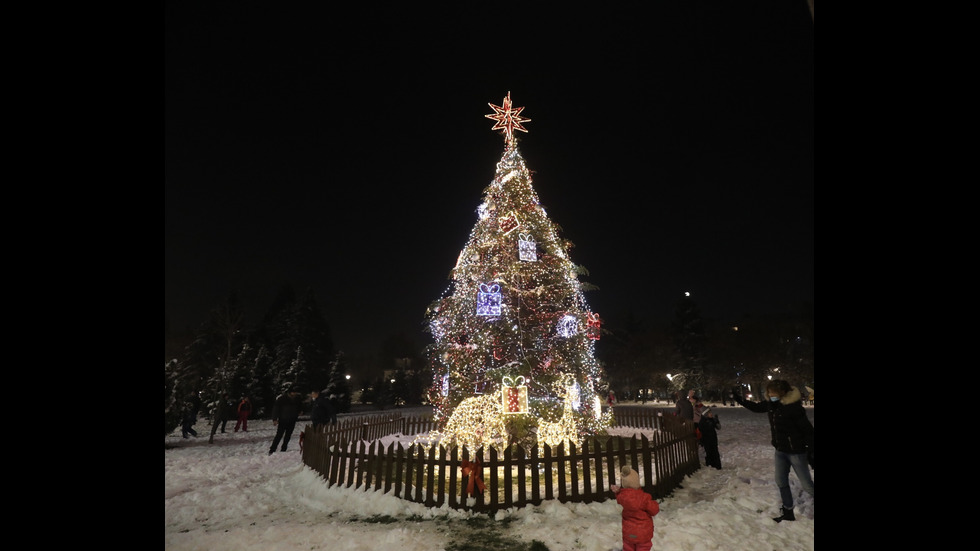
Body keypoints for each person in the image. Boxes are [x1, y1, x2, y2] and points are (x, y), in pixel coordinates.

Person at [732, 379, 814, 522]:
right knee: (781, 481)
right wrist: (739, 399)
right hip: (780, 451)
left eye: (773, 393)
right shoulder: (771, 405)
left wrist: (811, 451)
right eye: (769, 393)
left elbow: (808, 431)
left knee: (807, 485)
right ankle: (788, 512)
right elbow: (756, 407)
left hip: (796, 452)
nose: (770, 395)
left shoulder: (794, 408)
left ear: (782, 393)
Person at [610, 465, 660, 551]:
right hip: (643, 534)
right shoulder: (643, 498)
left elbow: (620, 497)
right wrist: (654, 504)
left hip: (628, 533)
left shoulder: (622, 497)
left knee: (628, 548)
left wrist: (618, 492)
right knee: (643, 548)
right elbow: (654, 510)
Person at [269, 388, 303, 455]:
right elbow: (276, 409)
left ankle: (284, 448)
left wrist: (300, 411)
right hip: (283, 419)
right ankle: (272, 449)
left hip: (292, 419)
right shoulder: (282, 399)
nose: (295, 394)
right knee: (279, 435)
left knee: (288, 435)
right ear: (290, 393)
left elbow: (300, 407)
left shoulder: (297, 399)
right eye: (294, 392)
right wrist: (274, 419)